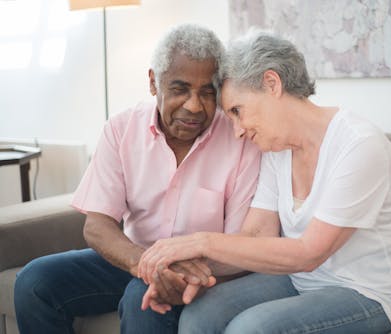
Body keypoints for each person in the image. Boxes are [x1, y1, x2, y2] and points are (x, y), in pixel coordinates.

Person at [137, 31, 391, 333]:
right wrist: (187, 271)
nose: (238, 132)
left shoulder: (359, 144)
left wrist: (200, 241)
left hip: (368, 294)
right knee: (199, 314)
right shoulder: (276, 150)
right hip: (300, 281)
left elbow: (309, 253)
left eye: (236, 112)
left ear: (272, 84)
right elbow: (257, 236)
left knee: (250, 329)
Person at [13, 24, 261, 334]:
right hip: (137, 256)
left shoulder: (240, 138)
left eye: (207, 92)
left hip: (207, 272)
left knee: (139, 300)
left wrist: (178, 275)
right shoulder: (121, 129)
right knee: (34, 281)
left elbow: (241, 246)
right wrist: (147, 265)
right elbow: (98, 225)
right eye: (180, 89)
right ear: (154, 82)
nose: (194, 105)